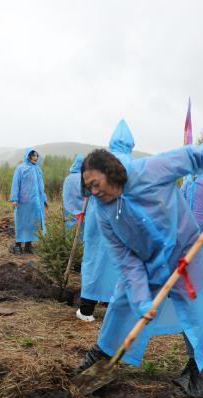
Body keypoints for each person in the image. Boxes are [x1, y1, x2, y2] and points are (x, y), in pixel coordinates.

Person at [78, 146, 203, 398]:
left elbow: (196, 156)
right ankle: (99, 363)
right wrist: (141, 299)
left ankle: (196, 369)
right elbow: (126, 260)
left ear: (110, 172)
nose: (93, 191)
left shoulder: (150, 170)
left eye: (95, 184)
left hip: (184, 254)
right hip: (145, 263)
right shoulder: (104, 211)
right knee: (121, 305)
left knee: (194, 309)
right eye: (88, 187)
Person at [78, 120, 135, 323]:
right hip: (122, 218)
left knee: (94, 258)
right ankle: (115, 310)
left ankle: (86, 310)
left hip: (98, 217)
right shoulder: (132, 163)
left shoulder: (102, 162)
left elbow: (86, 189)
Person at [9, 148, 47, 254]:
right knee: (21, 222)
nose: (36, 158)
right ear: (28, 156)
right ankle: (17, 245)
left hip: (35, 203)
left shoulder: (38, 169)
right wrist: (14, 199)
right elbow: (16, 184)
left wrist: (44, 199)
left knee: (33, 223)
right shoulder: (20, 168)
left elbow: (41, 186)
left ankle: (28, 245)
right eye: (33, 155)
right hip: (23, 202)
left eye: (37, 156)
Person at [62, 153, 85, 230]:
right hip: (81, 214)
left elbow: (64, 196)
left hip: (68, 213)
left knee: (70, 234)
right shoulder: (83, 178)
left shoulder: (67, 179)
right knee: (81, 236)